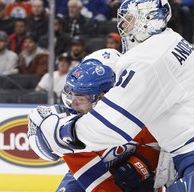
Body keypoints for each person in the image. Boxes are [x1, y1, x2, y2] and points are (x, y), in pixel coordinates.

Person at [28, 0, 194, 192]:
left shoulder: (147, 57)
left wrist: (58, 133)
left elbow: (109, 126)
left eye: (128, 19)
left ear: (146, 19)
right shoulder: (169, 42)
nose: (124, 26)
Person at [55, 49, 160, 191]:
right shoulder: (72, 130)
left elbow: (154, 146)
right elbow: (100, 185)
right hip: (94, 176)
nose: (74, 104)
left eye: (80, 97)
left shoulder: (137, 109)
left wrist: (137, 168)